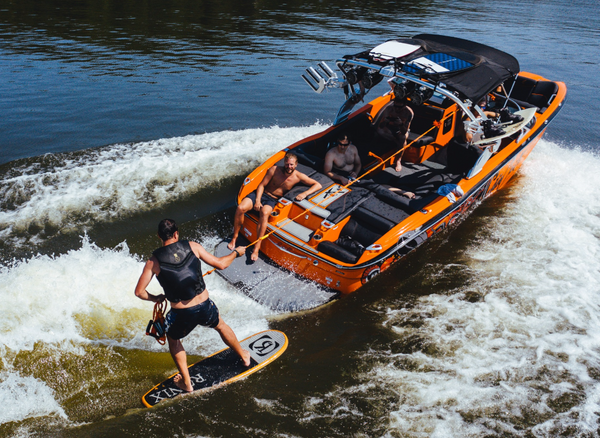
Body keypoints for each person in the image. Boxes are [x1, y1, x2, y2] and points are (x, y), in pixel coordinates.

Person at [135, 219, 251, 393]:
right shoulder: (193, 246)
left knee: (174, 341)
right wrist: (236, 253)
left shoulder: (153, 262)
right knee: (220, 325)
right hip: (205, 306)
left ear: (159, 236)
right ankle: (244, 357)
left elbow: (139, 292)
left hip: (181, 314)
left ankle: (187, 383)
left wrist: (156, 298)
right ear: (176, 234)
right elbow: (221, 264)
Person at [228, 151, 322, 261]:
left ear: (296, 165)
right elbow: (262, 185)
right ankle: (235, 237)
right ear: (284, 163)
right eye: (287, 164)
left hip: (272, 200)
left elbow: (317, 185)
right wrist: (257, 200)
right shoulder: (274, 170)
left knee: (265, 213)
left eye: (291, 164)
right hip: (260, 193)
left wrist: (304, 194)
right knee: (240, 208)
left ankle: (256, 248)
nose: (289, 167)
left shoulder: (298, 176)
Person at [375, 96, 414, 172]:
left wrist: (400, 124)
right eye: (396, 106)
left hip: (401, 129)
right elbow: (381, 126)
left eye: (400, 107)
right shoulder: (389, 109)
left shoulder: (408, 113)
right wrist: (386, 121)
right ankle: (396, 141)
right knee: (379, 131)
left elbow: (404, 131)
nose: (397, 109)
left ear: (405, 105)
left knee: (402, 138)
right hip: (389, 128)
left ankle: (398, 160)